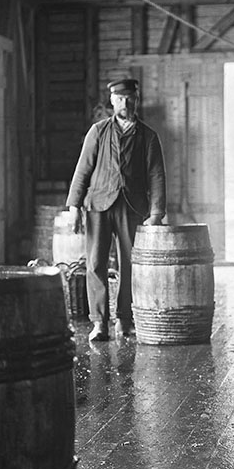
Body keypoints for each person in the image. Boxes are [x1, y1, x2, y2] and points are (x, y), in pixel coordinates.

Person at [66, 78, 167, 341]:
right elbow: (82, 169)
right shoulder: (98, 131)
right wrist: (74, 206)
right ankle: (99, 322)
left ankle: (125, 320)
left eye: (129, 98)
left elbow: (157, 176)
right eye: (119, 99)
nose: (125, 103)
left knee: (130, 264)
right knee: (96, 263)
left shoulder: (148, 136)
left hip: (132, 208)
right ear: (112, 101)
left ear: (137, 99)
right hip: (98, 206)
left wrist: (156, 213)